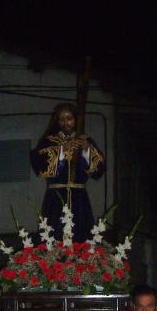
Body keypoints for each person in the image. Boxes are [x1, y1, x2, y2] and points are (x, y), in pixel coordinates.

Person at [30, 103, 105, 242]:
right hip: (56, 198)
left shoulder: (85, 140)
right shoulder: (49, 141)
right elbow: (39, 164)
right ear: (57, 121)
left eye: (69, 118)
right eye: (61, 119)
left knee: (81, 236)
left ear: (75, 119)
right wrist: (62, 150)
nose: (66, 123)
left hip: (79, 199)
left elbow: (98, 170)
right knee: (54, 234)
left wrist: (87, 150)